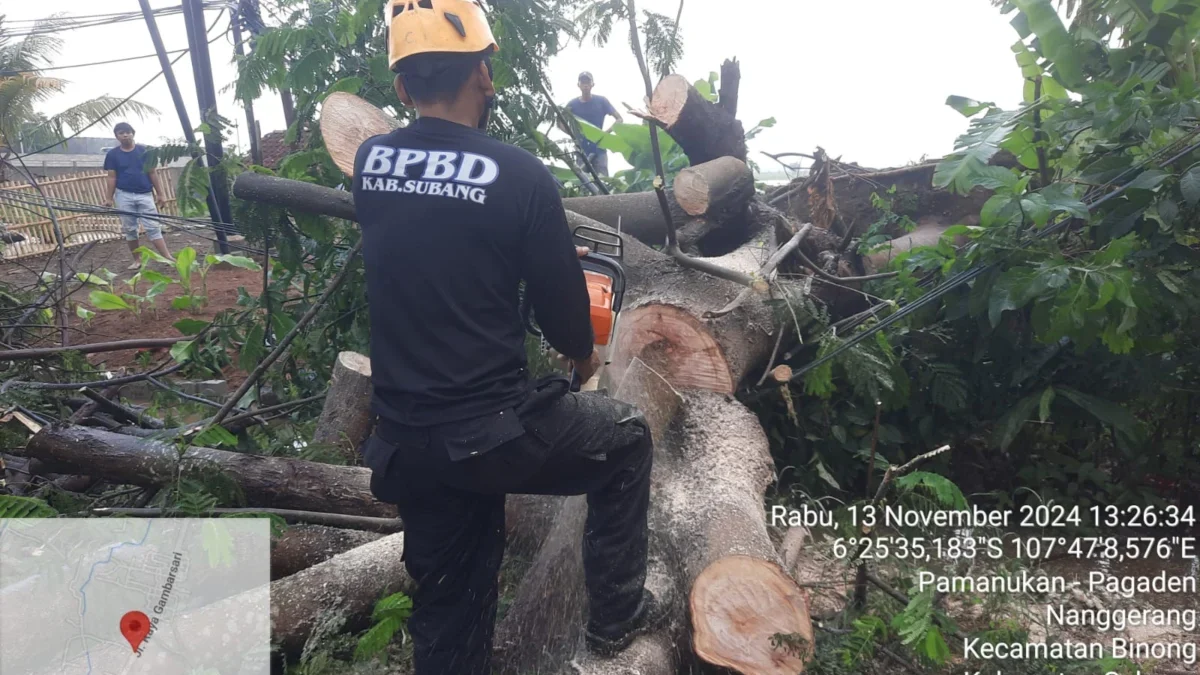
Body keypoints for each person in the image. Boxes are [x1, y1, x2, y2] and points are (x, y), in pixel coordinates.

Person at [353, 2, 662, 673]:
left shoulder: (371, 162)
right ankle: (615, 620)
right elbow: (563, 318)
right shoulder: (520, 176)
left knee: (450, 612)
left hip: (405, 442)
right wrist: (582, 361)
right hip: (489, 436)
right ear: (484, 76)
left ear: (403, 88)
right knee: (630, 436)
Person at [102, 122, 172, 269]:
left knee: (153, 226)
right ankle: (137, 260)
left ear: (133, 133)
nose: (125, 135)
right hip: (123, 195)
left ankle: (167, 257)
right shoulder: (113, 155)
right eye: (121, 132)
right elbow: (111, 177)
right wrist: (109, 198)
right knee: (130, 229)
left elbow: (152, 172)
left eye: (128, 132)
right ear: (117, 136)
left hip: (145, 194)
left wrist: (160, 194)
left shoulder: (144, 151)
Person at [564, 71, 623, 177]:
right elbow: (560, 122)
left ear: (592, 84)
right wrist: (573, 135)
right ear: (579, 85)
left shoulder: (601, 101)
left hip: (599, 148)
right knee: (584, 182)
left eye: (588, 82)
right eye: (583, 82)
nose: (585, 85)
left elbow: (619, 119)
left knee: (603, 180)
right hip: (581, 150)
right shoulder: (572, 104)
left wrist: (605, 133)